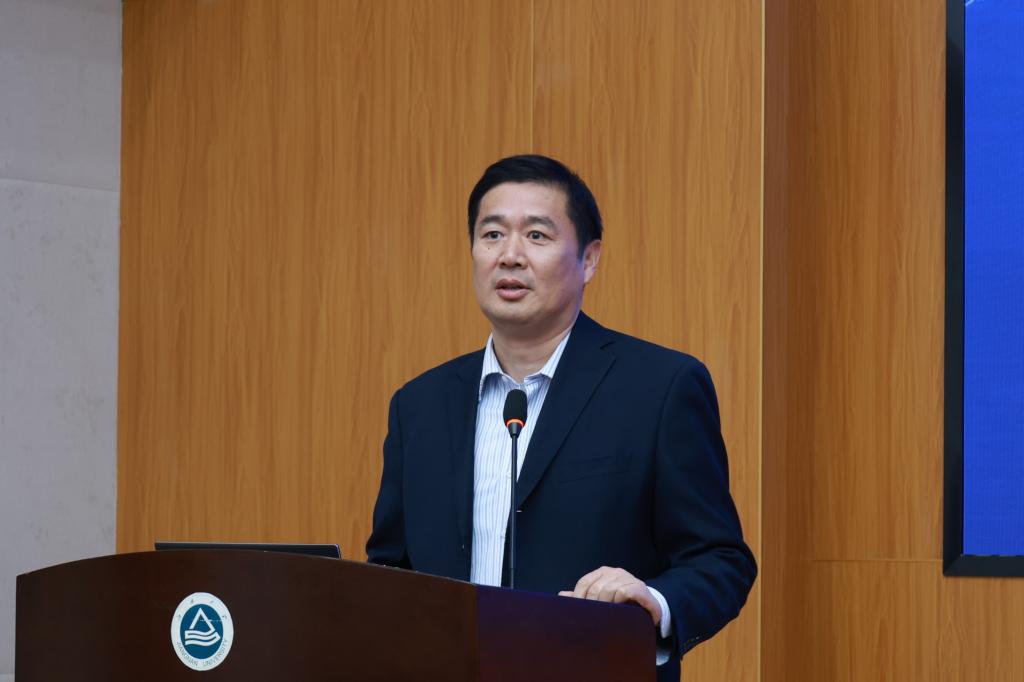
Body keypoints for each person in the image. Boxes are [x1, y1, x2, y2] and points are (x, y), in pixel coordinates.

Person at [367, 154, 756, 680]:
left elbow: (720, 561)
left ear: (588, 260)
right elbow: (390, 573)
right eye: (491, 235)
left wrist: (653, 602)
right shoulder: (419, 405)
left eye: (537, 236)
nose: (510, 256)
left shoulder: (659, 388)